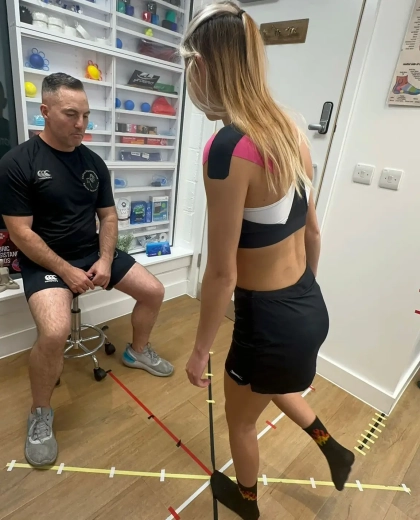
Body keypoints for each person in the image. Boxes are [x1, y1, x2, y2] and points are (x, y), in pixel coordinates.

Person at [181, 4, 355, 519]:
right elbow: (314, 231)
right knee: (269, 384)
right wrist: (303, 304)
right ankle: (333, 449)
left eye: (192, 63)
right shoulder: (290, 128)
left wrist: (198, 351)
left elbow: (221, 272)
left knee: (239, 419)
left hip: (269, 318)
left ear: (207, 67)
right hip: (306, 302)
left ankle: (247, 502)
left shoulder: (227, 148)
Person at [0, 73, 174, 468]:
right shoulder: (16, 163)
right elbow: (20, 233)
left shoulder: (93, 162)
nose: (81, 124)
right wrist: (68, 272)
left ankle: (138, 351)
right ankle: (41, 413)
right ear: (45, 112)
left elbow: (109, 217)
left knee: (154, 291)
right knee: (55, 331)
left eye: (86, 115)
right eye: (71, 114)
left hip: (92, 255)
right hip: (45, 261)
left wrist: (105, 260)